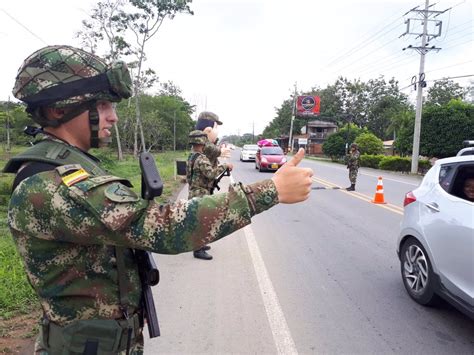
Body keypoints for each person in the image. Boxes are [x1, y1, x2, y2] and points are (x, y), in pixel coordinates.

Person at [4, 45, 313, 354]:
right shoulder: (50, 184)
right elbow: (158, 226)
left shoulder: (72, 164)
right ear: (59, 109)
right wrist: (269, 191)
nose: (113, 117)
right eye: (101, 106)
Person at [186, 130, 233, 260]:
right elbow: (211, 174)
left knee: (197, 219)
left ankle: (199, 245)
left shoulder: (191, 156)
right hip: (201, 193)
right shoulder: (201, 158)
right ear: (203, 143)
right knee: (201, 221)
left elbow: (188, 176)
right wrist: (225, 166)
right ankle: (198, 250)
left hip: (193, 191)